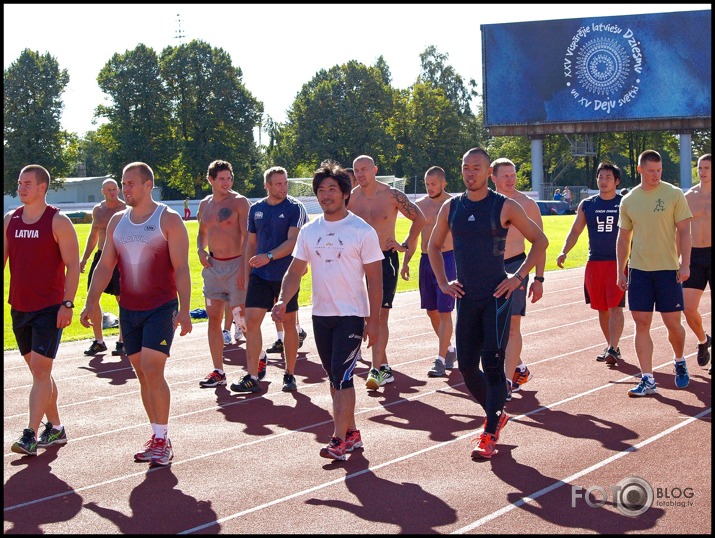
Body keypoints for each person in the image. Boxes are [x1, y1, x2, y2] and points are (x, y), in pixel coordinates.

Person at [428, 147, 548, 459]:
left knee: (493, 367)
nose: (470, 173)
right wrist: (443, 282)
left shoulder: (504, 206)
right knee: (467, 367)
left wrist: (519, 277)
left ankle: (490, 430)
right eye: (466, 168)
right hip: (466, 298)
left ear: (486, 172)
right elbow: (433, 246)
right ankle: (496, 413)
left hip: (497, 298)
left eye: (477, 168)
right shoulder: (451, 207)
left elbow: (540, 241)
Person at [80, 162, 192, 466]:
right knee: (142, 372)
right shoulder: (117, 221)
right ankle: (158, 434)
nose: (125, 189)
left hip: (161, 307)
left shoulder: (167, 220)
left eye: (130, 184)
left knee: (154, 370)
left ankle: (162, 439)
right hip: (129, 309)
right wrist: (90, 302)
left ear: (147, 185)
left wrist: (184, 309)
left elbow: (181, 268)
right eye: (123, 183)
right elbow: (105, 266)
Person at [271, 161, 383, 460]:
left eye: (332, 189)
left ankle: (337, 439)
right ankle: (352, 433)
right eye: (321, 190)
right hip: (321, 315)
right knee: (335, 378)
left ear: (345, 193)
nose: (325, 195)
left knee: (343, 376)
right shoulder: (309, 231)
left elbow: (375, 279)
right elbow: (295, 271)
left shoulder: (362, 231)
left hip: (351, 315)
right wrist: (283, 299)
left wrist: (373, 322)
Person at [5, 164, 80, 456]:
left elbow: (73, 265)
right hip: (19, 308)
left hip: (50, 308)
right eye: (20, 182)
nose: (21, 188)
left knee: (40, 369)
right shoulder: (9, 220)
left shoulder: (58, 221)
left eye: (27, 183)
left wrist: (68, 303)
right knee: (40, 373)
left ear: (42, 188)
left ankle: (29, 435)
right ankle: (57, 428)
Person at [616, 150, 692, 397]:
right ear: (640, 170)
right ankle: (647, 378)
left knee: (673, 324)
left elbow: (684, 232)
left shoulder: (673, 194)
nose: (656, 175)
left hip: (668, 270)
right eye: (651, 171)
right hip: (639, 271)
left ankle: (679, 359)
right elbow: (623, 237)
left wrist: (685, 264)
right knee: (642, 323)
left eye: (659, 170)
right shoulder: (629, 200)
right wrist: (621, 270)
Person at [348, 155, 425, 390]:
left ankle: (376, 370)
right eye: (356, 170)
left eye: (364, 169)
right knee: (361, 314)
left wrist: (405, 245)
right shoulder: (351, 198)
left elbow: (419, 218)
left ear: (375, 170)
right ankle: (383, 366)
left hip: (384, 260)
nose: (360, 174)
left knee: (380, 315)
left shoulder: (392, 195)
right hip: (357, 263)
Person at [231, 166, 308, 393]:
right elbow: (250, 244)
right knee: (252, 322)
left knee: (288, 324)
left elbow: (293, 241)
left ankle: (290, 374)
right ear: (267, 185)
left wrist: (270, 256)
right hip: (260, 276)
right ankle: (253, 375)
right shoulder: (256, 210)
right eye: (278, 184)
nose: (283, 187)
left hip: (286, 275)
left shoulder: (295, 208)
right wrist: (245, 275)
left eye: (285, 183)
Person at [557, 162, 625, 367]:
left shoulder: (625, 203)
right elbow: (576, 230)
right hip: (594, 262)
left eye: (608, 178)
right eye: (601, 177)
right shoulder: (587, 204)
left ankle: (613, 347)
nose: (603, 181)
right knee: (601, 309)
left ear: (616, 181)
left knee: (616, 307)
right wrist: (564, 251)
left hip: (618, 262)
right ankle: (611, 346)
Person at [490, 158, 544, 400]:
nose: (510, 179)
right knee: (490, 329)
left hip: (516, 267)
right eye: (505, 176)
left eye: (513, 175)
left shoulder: (527, 204)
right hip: (489, 268)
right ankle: (519, 368)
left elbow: (539, 243)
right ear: (493, 177)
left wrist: (539, 279)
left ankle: (508, 381)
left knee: (512, 327)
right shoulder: (487, 202)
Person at [196, 160, 251, 388]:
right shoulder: (204, 204)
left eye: (229, 178)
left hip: (236, 264)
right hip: (213, 268)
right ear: (211, 180)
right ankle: (218, 371)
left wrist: (243, 268)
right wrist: (200, 249)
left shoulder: (239, 202)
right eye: (222, 179)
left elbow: (249, 237)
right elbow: (202, 232)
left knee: (242, 319)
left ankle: (256, 361)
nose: (227, 183)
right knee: (214, 319)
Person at [400, 166, 457, 377]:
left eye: (434, 183)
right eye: (427, 184)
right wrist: (406, 261)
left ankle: (440, 359)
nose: (430, 187)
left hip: (447, 260)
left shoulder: (453, 204)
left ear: (443, 183)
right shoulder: (420, 206)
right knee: (431, 310)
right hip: (426, 261)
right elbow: (413, 236)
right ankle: (450, 349)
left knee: (444, 311)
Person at [79, 178, 127, 357]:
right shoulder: (98, 210)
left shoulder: (125, 209)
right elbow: (93, 235)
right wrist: (84, 258)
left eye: (115, 189)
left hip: (119, 257)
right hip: (100, 256)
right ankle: (99, 341)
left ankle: (122, 341)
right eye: (109, 190)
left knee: (122, 299)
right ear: (103, 192)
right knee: (93, 298)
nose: (113, 192)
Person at [682, 154, 711, 372]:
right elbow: (679, 230)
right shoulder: (689, 196)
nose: (702, 172)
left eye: (707, 168)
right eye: (700, 167)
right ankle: (703, 340)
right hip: (694, 256)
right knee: (688, 308)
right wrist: (678, 258)